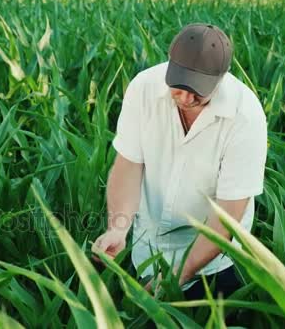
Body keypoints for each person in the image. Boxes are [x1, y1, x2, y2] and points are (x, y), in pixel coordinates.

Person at [92, 23, 268, 300]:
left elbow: (228, 214)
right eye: (179, 86)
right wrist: (118, 227)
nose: (185, 98)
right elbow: (128, 165)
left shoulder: (246, 116)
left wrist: (178, 275)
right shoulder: (143, 88)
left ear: (221, 78)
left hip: (216, 260)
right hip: (147, 249)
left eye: (198, 91)